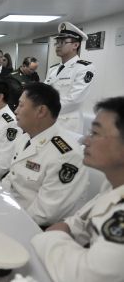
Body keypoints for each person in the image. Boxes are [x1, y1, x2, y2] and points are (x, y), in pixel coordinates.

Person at [32, 96, 124, 282]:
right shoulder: (112, 183)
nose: (86, 141)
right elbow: (82, 220)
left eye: (96, 133)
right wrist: (68, 227)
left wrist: (51, 238)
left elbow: (83, 275)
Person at [2, 83, 88, 227]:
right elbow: (11, 178)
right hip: (11, 211)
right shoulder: (27, 137)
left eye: (21, 105)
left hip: (34, 227)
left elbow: (46, 213)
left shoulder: (66, 154)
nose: (15, 110)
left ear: (41, 111)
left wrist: (8, 221)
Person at [44, 22, 95, 133]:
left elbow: (74, 99)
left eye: (62, 42)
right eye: (57, 42)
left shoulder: (84, 68)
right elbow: (44, 93)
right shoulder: (53, 69)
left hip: (68, 124)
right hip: (49, 121)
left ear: (75, 45)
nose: (58, 45)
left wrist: (45, 109)